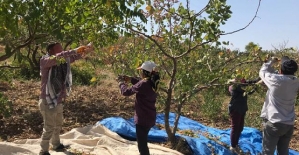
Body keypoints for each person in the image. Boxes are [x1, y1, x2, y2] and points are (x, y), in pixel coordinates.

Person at [39, 42, 93, 155]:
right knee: (49, 126)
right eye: (59, 49)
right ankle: (43, 150)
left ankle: (56, 144)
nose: (62, 51)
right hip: (47, 100)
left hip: (57, 99)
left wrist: (85, 50)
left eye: (62, 48)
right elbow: (61, 56)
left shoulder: (62, 62)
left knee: (58, 124)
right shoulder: (45, 61)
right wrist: (74, 50)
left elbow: (73, 57)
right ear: (51, 51)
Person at [117, 61, 160, 155]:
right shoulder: (154, 82)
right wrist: (130, 79)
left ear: (144, 72)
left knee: (142, 145)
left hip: (142, 120)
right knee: (143, 142)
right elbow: (141, 84)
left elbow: (126, 92)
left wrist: (121, 84)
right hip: (150, 118)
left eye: (141, 71)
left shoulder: (143, 84)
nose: (140, 73)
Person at [259, 56, 299, 155]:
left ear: (280, 70)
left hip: (275, 123)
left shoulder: (275, 80)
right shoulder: (296, 81)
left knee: (267, 152)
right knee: (283, 152)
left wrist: (270, 61)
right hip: (288, 124)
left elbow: (262, 72)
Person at [227, 78, 258, 152]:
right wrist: (254, 86)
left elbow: (250, 83)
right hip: (235, 109)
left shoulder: (242, 86)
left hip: (242, 109)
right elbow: (246, 90)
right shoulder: (234, 87)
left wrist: (258, 80)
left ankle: (236, 144)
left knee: (240, 128)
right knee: (235, 128)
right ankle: (233, 146)